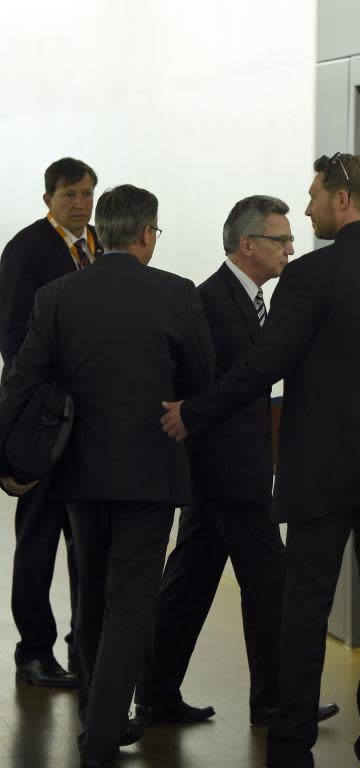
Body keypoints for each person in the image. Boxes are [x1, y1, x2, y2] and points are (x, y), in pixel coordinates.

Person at [160, 153, 360, 768]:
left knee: (304, 606)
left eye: (315, 195)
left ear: (342, 198)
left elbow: (264, 367)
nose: (309, 205)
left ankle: (291, 747)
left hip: (321, 472)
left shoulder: (311, 277)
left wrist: (195, 411)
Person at [0, 184, 215, 768]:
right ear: (147, 234)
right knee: (130, 607)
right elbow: (201, 379)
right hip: (150, 472)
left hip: (78, 474)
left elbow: (21, 380)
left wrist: (7, 462)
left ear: (103, 232)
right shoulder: (175, 294)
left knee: (91, 599)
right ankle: (99, 739)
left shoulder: (58, 296)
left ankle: (97, 718)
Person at [136, 195, 338, 727]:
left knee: (189, 579)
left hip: (227, 466)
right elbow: (214, 386)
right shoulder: (211, 301)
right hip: (227, 468)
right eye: (281, 240)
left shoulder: (242, 298)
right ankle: (273, 701)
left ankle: (155, 694)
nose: (291, 248)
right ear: (248, 245)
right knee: (269, 579)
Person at [0, 157, 103, 687]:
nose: (82, 204)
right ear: (48, 200)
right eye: (70, 195)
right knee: (38, 544)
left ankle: (83, 648)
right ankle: (33, 652)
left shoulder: (99, 248)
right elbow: (14, 343)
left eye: (88, 193)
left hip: (88, 427)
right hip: (44, 424)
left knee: (86, 546)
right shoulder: (25, 250)